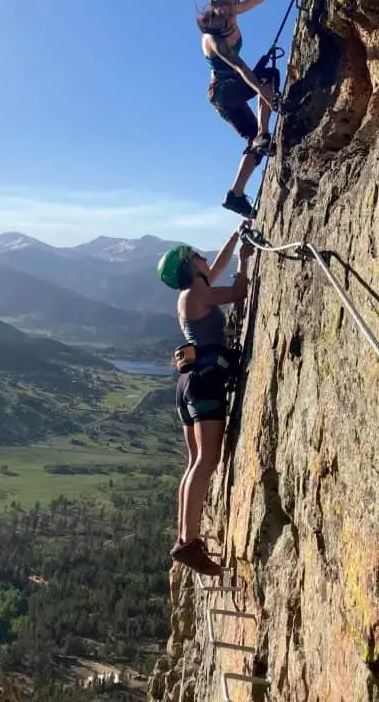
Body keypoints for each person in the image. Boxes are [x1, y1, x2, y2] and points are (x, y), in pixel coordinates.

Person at [156, 226, 254, 576]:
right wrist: (244, 262)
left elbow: (214, 267)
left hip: (191, 384)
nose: (203, 256)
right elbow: (239, 292)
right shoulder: (194, 296)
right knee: (206, 460)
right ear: (189, 265)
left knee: (196, 460)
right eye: (196, 254)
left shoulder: (193, 290)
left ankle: (186, 538)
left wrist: (235, 238)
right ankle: (187, 541)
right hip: (205, 382)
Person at [198, 0, 300, 217]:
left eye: (232, 4)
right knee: (269, 76)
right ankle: (264, 134)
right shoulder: (213, 38)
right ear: (213, 3)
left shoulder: (232, 13)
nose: (230, 9)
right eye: (223, 4)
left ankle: (235, 195)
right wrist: (269, 97)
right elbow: (241, 68)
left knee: (254, 142)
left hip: (228, 93)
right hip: (222, 91)